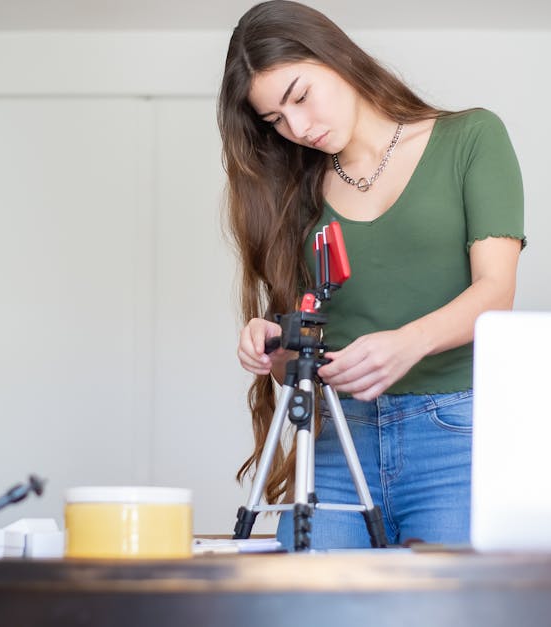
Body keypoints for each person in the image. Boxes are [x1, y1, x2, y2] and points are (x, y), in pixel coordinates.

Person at [218, 0, 525, 549]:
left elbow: (495, 293)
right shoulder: (293, 189)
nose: (298, 128)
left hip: (456, 436)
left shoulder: (471, 138)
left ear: (336, 57)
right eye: (276, 120)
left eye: (300, 97)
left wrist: (408, 344)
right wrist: (275, 347)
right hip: (338, 439)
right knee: (304, 606)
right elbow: (303, 352)